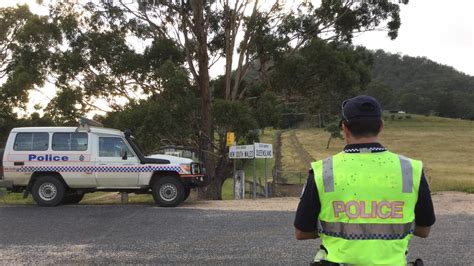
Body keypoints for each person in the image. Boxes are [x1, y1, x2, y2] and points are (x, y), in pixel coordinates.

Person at [294, 95, 435, 265]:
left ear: (344, 128)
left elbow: (301, 232)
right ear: (381, 126)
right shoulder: (411, 170)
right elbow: (424, 230)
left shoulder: (323, 171)